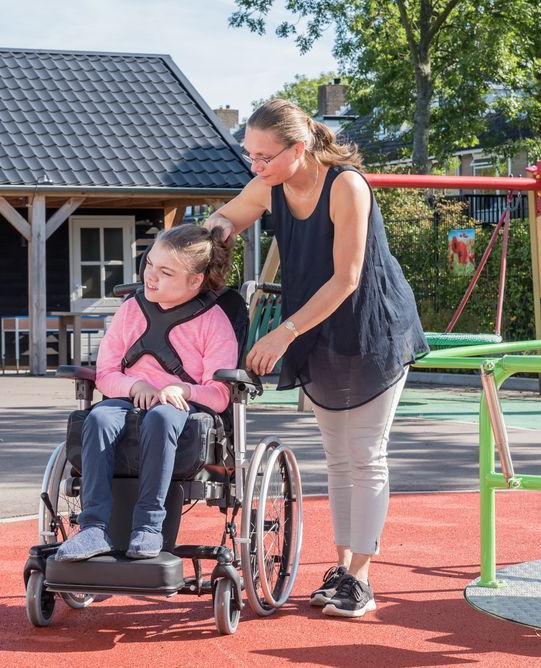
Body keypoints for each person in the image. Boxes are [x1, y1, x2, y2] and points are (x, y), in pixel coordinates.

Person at [205, 99, 428, 618]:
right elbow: (226, 216)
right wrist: (211, 233)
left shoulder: (346, 185)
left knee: (365, 452)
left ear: (299, 148)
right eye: (250, 155)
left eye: (264, 156)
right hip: (317, 327)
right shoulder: (269, 186)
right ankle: (343, 569)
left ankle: (362, 580)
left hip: (372, 325)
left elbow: (347, 279)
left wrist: (282, 335)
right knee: (337, 457)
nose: (255, 166)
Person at [55, 224, 238, 562]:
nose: (151, 276)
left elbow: (219, 394)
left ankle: (149, 526)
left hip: (181, 408)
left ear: (195, 281)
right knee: (98, 418)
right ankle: (93, 528)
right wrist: (135, 386)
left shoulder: (214, 322)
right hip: (127, 400)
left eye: (166, 272)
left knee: (162, 418)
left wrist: (181, 388)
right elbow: (106, 374)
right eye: (150, 264)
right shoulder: (130, 311)